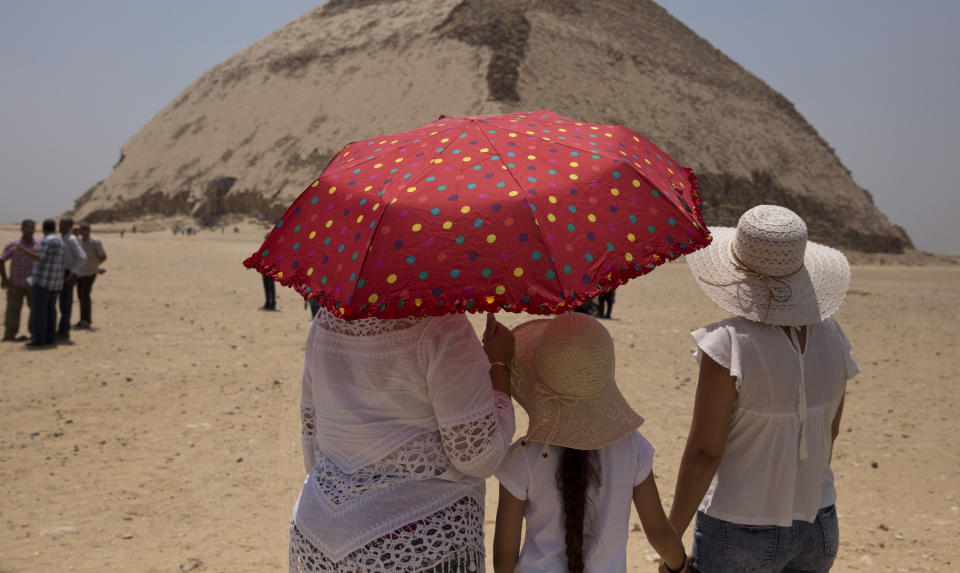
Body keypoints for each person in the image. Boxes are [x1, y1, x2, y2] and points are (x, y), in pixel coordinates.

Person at [667, 205, 857, 572]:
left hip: (739, 526)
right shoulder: (833, 335)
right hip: (818, 520)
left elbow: (706, 451)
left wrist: (670, 535)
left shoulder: (728, 344)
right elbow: (829, 431)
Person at [289, 309, 516, 571]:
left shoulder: (325, 322)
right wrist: (500, 367)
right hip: (417, 538)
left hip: (317, 531)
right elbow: (478, 457)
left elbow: (312, 442)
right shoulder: (444, 325)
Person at [493, 312, 689, 573]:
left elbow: (504, 558)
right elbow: (658, 532)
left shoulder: (523, 457)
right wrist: (680, 565)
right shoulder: (631, 446)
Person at [18, 219, 64, 348]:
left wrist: (24, 250)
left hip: (43, 281)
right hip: (55, 282)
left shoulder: (46, 241)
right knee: (51, 311)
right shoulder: (60, 241)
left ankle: (39, 339)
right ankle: (50, 337)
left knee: (40, 312)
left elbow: (39, 258)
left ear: (43, 229)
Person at [1, 219, 38, 341]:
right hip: (15, 283)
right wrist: (4, 278)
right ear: (22, 229)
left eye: (32, 228)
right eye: (27, 228)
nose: (30, 230)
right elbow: (2, 260)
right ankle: (10, 334)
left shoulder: (38, 244)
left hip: (32, 283)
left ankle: (34, 332)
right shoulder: (14, 244)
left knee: (35, 308)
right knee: (13, 309)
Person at [56, 218, 86, 340]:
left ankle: (64, 331)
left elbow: (82, 257)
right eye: (60, 224)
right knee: (59, 303)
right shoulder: (63, 238)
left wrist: (71, 273)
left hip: (67, 274)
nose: (61, 226)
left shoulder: (71, 239)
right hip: (60, 273)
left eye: (64, 224)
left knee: (65, 304)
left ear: (70, 226)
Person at [74, 223, 107, 329]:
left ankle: (86, 320)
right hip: (79, 273)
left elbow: (103, 256)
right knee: (80, 297)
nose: (81, 231)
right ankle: (83, 319)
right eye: (80, 229)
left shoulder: (95, 242)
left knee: (85, 296)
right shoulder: (78, 242)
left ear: (89, 230)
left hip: (89, 273)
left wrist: (95, 267)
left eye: (83, 229)